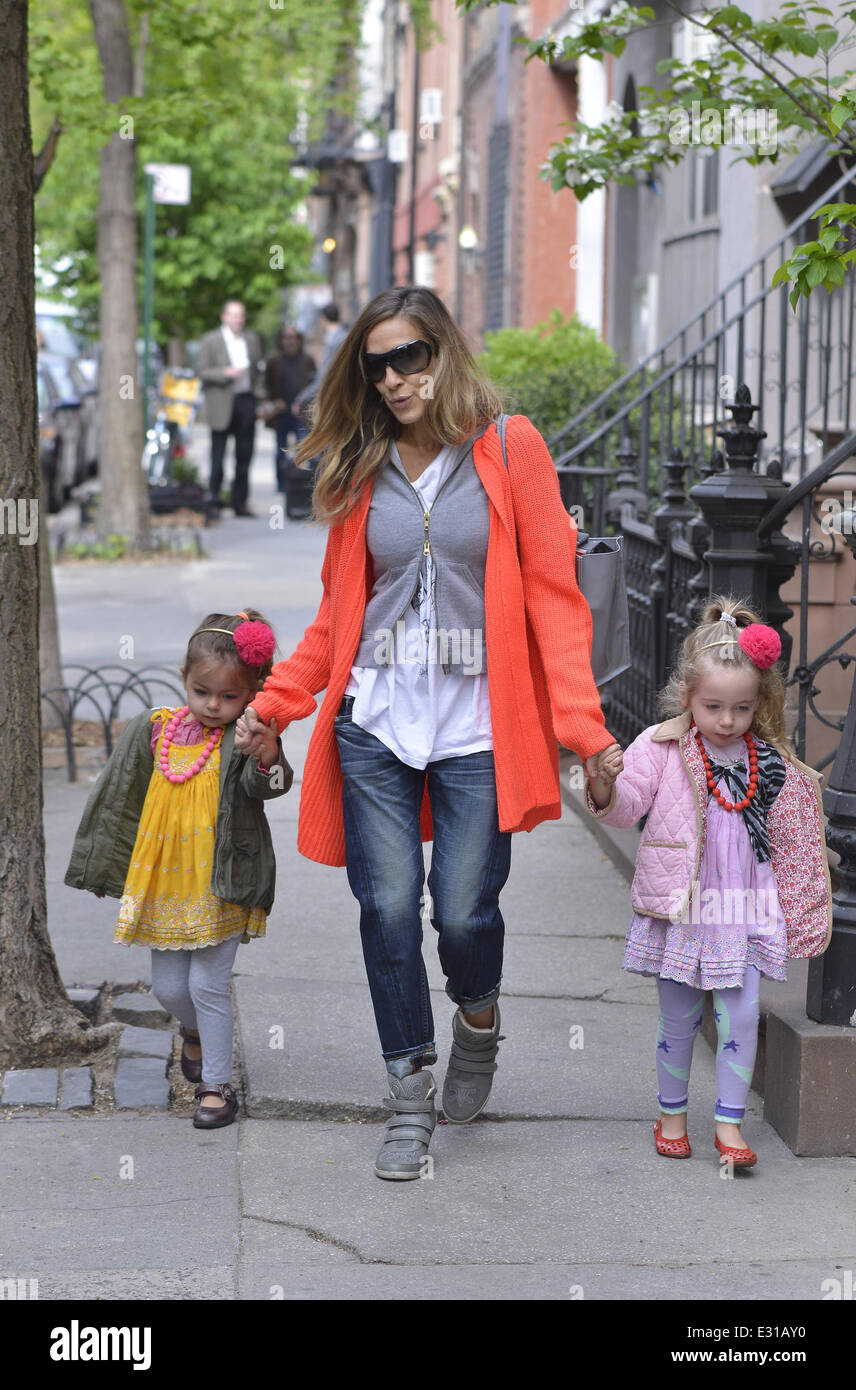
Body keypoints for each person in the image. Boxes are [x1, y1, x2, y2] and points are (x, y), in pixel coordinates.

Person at [235, 284, 622, 1180]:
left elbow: (554, 600)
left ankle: (477, 1018)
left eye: (411, 355)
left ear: (444, 350)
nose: (397, 377)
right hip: (377, 722)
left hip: (480, 725)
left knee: (462, 912)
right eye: (378, 364)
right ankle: (407, 1094)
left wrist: (586, 732)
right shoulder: (363, 466)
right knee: (384, 911)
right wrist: (277, 702)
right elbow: (339, 617)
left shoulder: (507, 447)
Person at [586, 597, 832, 1169]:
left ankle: (729, 1122)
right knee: (680, 1016)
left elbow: (792, 839)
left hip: (742, 910)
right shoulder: (661, 747)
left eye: (742, 708)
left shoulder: (766, 760)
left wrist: (799, 905)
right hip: (683, 910)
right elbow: (627, 809)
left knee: (741, 1015)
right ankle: (671, 1112)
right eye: (714, 706)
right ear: (686, 697)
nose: (727, 720)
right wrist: (603, 786)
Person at [64, 610, 293, 1129]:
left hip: (222, 882)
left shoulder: (248, 735)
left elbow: (271, 786)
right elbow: (121, 801)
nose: (214, 705)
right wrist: (109, 868)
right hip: (165, 882)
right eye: (202, 690)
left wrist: (268, 755)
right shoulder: (156, 731)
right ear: (183, 679)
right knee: (170, 990)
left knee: (208, 986)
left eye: (229, 696)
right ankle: (192, 1031)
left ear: (252, 691)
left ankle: (216, 1084)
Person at [197, 300, 266, 517]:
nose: (239, 319)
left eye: (241, 315)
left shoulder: (252, 340)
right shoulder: (211, 340)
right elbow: (201, 370)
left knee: (244, 455)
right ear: (224, 317)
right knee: (218, 456)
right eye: (234, 315)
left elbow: (258, 370)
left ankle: (240, 502)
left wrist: (260, 396)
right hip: (221, 403)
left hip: (245, 401)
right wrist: (225, 373)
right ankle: (214, 500)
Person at [261, 324, 316, 496]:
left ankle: (303, 484)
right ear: (281, 340)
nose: (290, 341)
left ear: (299, 340)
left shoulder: (307, 360)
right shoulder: (274, 361)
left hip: (302, 414)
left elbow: (316, 384)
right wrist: (270, 403)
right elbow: (266, 386)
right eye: (286, 337)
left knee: (304, 450)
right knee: (280, 450)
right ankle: (282, 484)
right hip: (281, 413)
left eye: (293, 337)